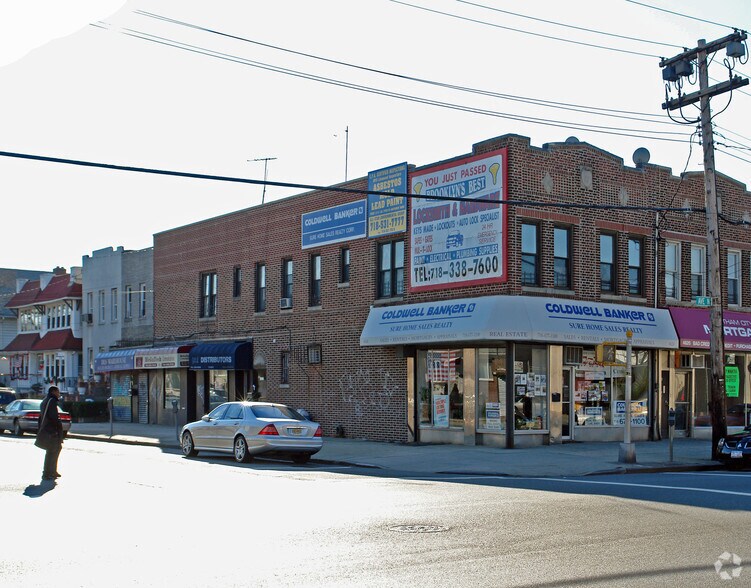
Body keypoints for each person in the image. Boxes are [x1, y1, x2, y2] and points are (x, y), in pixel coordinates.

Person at [38, 385, 63, 481]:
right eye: (58, 391)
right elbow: (53, 417)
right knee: (52, 451)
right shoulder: (51, 401)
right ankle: (48, 472)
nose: (59, 393)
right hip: (51, 431)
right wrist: (57, 428)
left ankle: (52, 471)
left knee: (53, 450)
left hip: (47, 429)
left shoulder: (45, 400)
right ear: (54, 392)